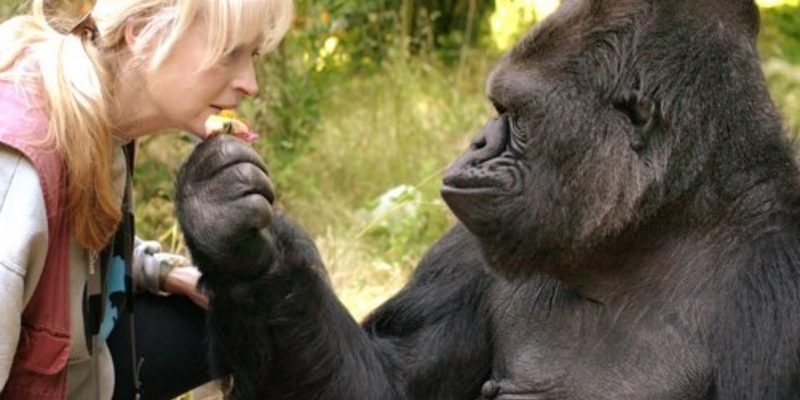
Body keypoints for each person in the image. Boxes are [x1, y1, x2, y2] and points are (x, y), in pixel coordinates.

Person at [0, 0, 293, 398]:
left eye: (252, 54)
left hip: (87, 371)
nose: (251, 83)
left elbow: (70, 254)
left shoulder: (99, 116)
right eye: (230, 52)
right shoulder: (19, 165)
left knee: (246, 318)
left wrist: (163, 273)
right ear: (142, 32)